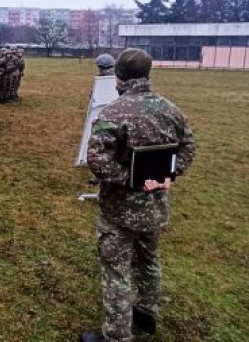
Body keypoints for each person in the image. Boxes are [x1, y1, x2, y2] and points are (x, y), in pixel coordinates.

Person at [81, 48, 196, 342]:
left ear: (118, 77)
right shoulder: (171, 110)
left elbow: (96, 158)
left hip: (119, 209)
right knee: (148, 261)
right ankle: (146, 313)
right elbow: (187, 147)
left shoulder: (114, 112)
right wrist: (165, 176)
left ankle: (117, 335)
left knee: (116, 271)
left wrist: (130, 179)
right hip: (155, 207)